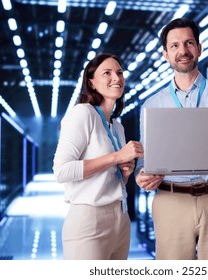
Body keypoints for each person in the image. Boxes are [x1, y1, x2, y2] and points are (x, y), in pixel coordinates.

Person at [134, 18, 208, 260]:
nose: (183, 51)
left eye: (189, 43)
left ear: (199, 48)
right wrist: (142, 176)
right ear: (165, 54)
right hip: (170, 200)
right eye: (175, 45)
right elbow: (145, 159)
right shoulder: (152, 104)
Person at [53, 53, 144, 260]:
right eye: (107, 73)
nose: (117, 78)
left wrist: (126, 173)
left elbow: (109, 178)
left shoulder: (117, 127)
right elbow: (61, 171)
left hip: (120, 218)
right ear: (91, 83)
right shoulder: (82, 113)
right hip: (89, 221)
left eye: (120, 73)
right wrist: (116, 157)